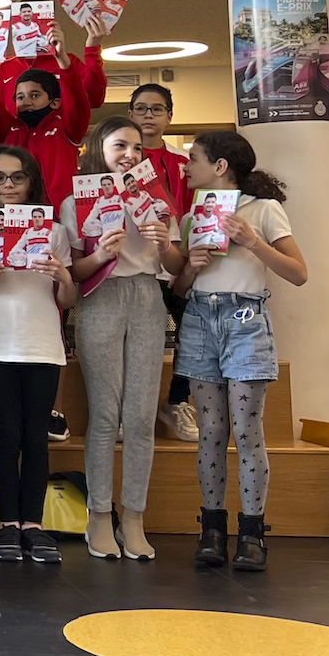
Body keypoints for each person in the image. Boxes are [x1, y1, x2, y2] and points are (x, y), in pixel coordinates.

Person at [171, 130, 307, 573]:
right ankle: (211, 529)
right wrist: (190, 268)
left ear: (220, 166)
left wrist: (252, 241)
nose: (187, 166)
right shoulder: (192, 216)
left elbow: (298, 272)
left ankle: (252, 531)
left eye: (193, 158)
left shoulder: (264, 209)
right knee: (210, 430)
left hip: (245, 318)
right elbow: (179, 288)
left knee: (247, 430)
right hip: (199, 318)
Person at [65, 116, 172, 562]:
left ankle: (134, 517)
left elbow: (176, 265)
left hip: (148, 296)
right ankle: (99, 514)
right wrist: (99, 255)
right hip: (100, 298)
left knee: (141, 417)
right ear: (99, 150)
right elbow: (74, 272)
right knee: (106, 414)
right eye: (119, 146)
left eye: (136, 147)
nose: (129, 154)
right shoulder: (76, 201)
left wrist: (164, 242)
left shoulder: (156, 199)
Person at [0, 144, 75, 564]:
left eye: (17, 177)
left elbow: (67, 299)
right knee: (6, 435)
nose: (8, 185)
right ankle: (7, 525)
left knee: (36, 437)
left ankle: (33, 523)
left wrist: (63, 276)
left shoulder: (54, 231)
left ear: (31, 181)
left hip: (43, 342)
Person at [129, 82, 200, 443]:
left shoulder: (184, 164)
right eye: (141, 109)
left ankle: (177, 401)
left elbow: (191, 216)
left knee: (192, 331)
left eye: (157, 109)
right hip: (132, 268)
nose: (149, 116)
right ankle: (130, 410)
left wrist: (182, 267)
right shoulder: (119, 162)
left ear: (169, 116)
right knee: (136, 343)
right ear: (130, 114)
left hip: (176, 264)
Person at [0, 59, 89, 208]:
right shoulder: (9, 128)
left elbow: (78, 101)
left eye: (35, 95)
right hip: (17, 214)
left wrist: (65, 64)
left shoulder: (66, 128)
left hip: (59, 213)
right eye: (20, 97)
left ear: (55, 102)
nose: (26, 102)